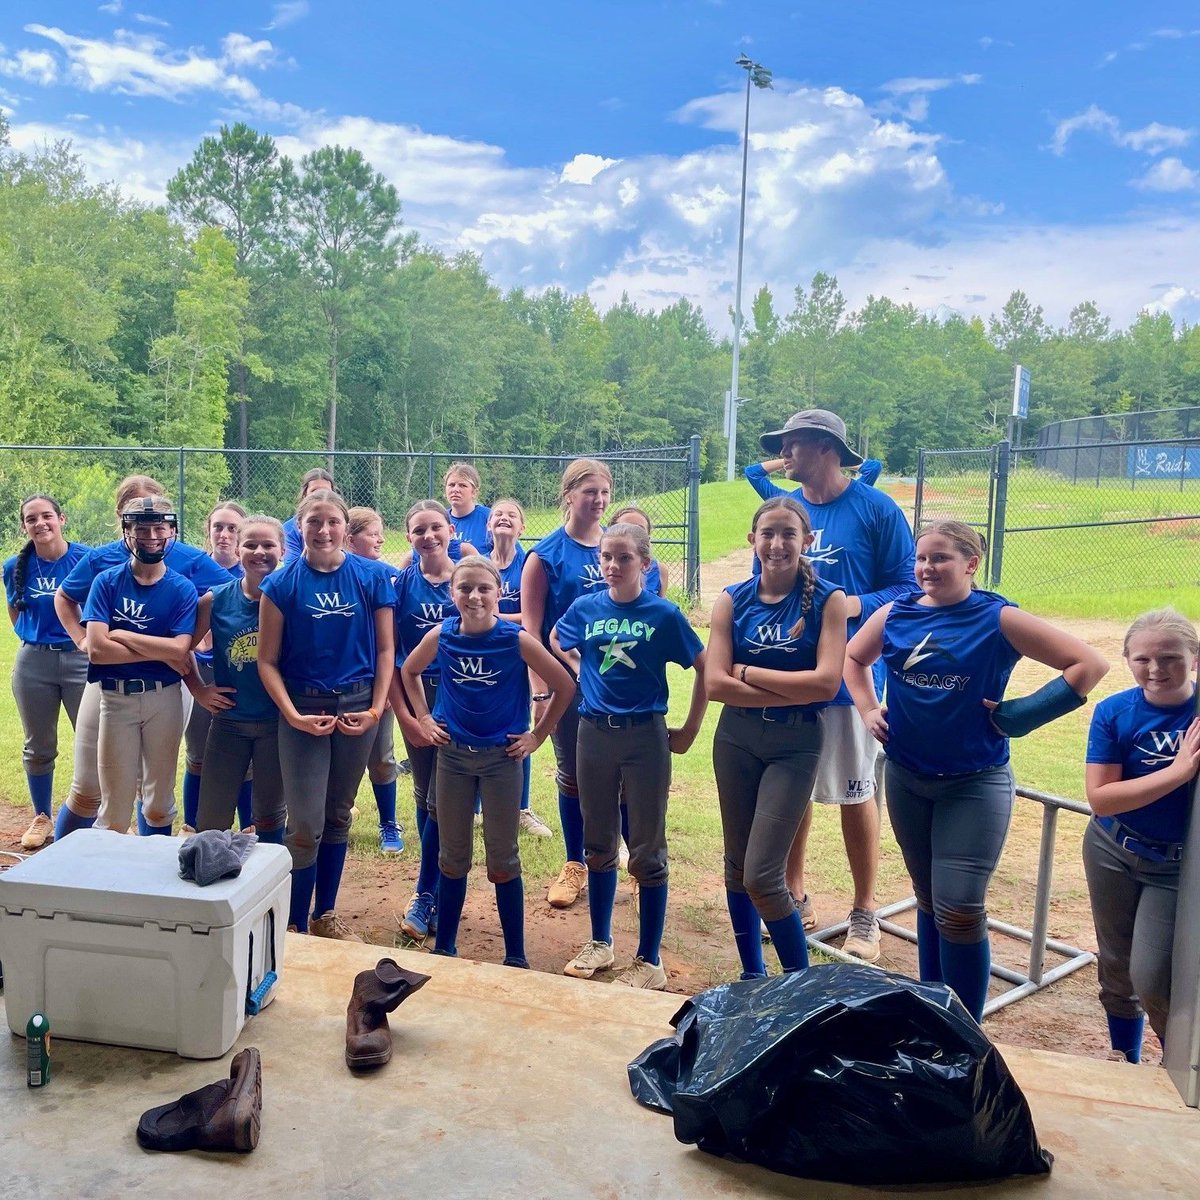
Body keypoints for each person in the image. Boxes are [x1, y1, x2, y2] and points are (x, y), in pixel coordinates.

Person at [844, 520, 1108, 1022]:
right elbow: (853, 659)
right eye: (921, 559)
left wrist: (1020, 716)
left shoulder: (997, 617)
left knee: (960, 907)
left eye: (940, 558)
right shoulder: (895, 613)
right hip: (906, 777)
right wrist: (865, 707)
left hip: (974, 782)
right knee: (927, 899)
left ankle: (965, 1027)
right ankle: (931, 1012)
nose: (927, 568)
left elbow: (1087, 665)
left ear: (971, 563)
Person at [747, 409, 915, 961]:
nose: (785, 456)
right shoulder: (788, 513)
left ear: (825, 449)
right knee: (792, 790)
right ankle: (794, 893)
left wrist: (849, 607)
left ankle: (866, 910)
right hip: (787, 679)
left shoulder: (874, 508)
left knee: (854, 791)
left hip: (847, 682)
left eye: (792, 445)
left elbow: (908, 588)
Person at [553, 523, 707, 989]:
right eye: (606, 558)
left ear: (645, 563)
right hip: (594, 733)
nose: (614, 566)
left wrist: (690, 729)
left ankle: (649, 961)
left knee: (645, 847)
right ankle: (600, 942)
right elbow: (560, 640)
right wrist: (585, 672)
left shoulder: (662, 613)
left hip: (645, 737)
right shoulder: (586, 607)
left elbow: (705, 668)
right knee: (598, 842)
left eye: (623, 558)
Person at [400, 555, 574, 967]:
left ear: (499, 593)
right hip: (454, 759)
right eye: (465, 588)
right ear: (452, 593)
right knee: (452, 853)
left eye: (484, 588)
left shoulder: (515, 639)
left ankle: (515, 954)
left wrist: (537, 735)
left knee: (502, 856)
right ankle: (446, 946)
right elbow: (408, 672)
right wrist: (424, 718)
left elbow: (564, 685)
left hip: (501, 761)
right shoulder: (442, 636)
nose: (474, 596)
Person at [705, 497, 849, 978]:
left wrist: (748, 671)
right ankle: (752, 976)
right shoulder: (732, 599)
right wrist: (795, 689)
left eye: (789, 533)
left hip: (795, 744)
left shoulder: (829, 600)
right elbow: (715, 685)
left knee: (764, 875)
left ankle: (800, 987)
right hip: (737, 740)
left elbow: (828, 684)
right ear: (752, 540)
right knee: (735, 866)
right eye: (768, 533)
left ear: (807, 541)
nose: (777, 543)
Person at [53, 474, 229, 838]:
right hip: (109, 686)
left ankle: (147, 877)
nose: (150, 532)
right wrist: (84, 640)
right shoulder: (105, 564)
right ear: (124, 520)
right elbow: (67, 601)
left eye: (157, 519)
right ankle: (66, 865)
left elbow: (225, 593)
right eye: (138, 518)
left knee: (156, 795)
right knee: (89, 790)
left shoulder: (183, 563)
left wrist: (194, 638)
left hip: (166, 682)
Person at [258, 489, 395, 940]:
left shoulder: (372, 577)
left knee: (338, 814)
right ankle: (294, 921)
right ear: (300, 527)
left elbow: (387, 649)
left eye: (332, 521)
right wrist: (293, 716)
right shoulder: (281, 584)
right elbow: (267, 661)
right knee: (304, 824)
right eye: (313, 521)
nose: (323, 530)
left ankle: (325, 914)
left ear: (345, 527)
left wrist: (376, 709)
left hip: (355, 709)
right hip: (302, 710)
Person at [1083, 608, 1200, 1062]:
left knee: (1154, 977)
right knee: (1115, 964)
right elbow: (1103, 798)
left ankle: (1178, 1072)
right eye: (1143, 659)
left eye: (1170, 658)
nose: (1155, 670)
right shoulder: (1115, 711)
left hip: (1176, 864)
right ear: (1128, 659)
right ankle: (1123, 1058)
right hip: (1113, 847)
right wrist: (1179, 771)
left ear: (1194, 658)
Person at [520, 458, 613, 908]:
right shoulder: (546, 555)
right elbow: (532, 632)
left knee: (623, 775)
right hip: (570, 685)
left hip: (619, 684)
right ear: (569, 495)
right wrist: (543, 688)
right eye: (589, 492)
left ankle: (624, 863)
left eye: (605, 493)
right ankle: (575, 863)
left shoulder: (615, 547)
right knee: (573, 775)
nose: (597, 501)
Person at [83, 497, 199, 835]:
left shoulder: (180, 588)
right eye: (141, 528)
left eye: (158, 528)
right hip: (116, 698)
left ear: (171, 531)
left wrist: (120, 633)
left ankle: (154, 879)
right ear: (127, 532)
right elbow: (97, 652)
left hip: (163, 698)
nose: (150, 536)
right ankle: (111, 881)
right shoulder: (107, 581)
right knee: (115, 808)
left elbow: (180, 650)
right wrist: (159, 650)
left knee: (159, 803)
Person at [392, 500, 473, 940]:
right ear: (409, 537)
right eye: (419, 530)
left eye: (436, 527)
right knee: (426, 797)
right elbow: (390, 656)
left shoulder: (467, 580)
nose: (428, 536)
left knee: (443, 802)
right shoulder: (401, 584)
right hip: (419, 695)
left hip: (462, 696)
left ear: (450, 530)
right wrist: (407, 717)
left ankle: (427, 892)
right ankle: (435, 887)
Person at [185, 515, 287, 842]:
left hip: (276, 722)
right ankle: (211, 879)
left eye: (268, 545)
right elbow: (180, 649)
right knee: (211, 818)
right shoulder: (216, 599)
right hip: (230, 721)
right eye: (251, 544)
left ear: (282, 550)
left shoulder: (292, 596)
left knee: (270, 816)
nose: (259, 552)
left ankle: (270, 887)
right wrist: (199, 689)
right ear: (238, 550)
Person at [4, 495, 90, 849]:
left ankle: (99, 817)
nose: (40, 523)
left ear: (61, 519)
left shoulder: (86, 559)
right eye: (31, 519)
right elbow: (15, 613)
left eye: (46, 516)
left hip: (80, 659)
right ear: (24, 525)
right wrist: (34, 640)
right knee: (38, 746)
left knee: (94, 742)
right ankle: (42, 816)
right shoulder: (14, 566)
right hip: (33, 662)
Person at [487, 498, 553, 838]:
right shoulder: (479, 563)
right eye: (497, 513)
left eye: (512, 515)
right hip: (485, 659)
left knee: (519, 726)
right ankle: (476, 808)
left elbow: (531, 619)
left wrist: (496, 618)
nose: (504, 518)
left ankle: (521, 808)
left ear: (522, 526)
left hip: (520, 658)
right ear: (488, 524)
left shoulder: (527, 563)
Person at [181, 501, 248, 834]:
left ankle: (251, 827)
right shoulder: (192, 569)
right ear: (208, 530)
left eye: (232, 528)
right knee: (197, 753)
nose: (224, 534)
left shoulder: (252, 570)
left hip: (239, 671)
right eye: (218, 526)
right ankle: (190, 826)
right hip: (200, 668)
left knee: (246, 756)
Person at [346, 505, 405, 855]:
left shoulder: (384, 575)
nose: (381, 538)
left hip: (375, 680)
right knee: (341, 761)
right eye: (372, 532)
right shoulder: (328, 574)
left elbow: (391, 638)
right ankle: (338, 816)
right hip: (338, 683)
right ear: (350, 538)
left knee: (381, 757)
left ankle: (388, 822)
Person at [608, 505, 668, 597]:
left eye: (639, 530)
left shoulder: (659, 570)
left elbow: (661, 607)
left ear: (648, 539)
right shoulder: (606, 569)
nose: (632, 535)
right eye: (625, 529)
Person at [282, 468, 336, 560]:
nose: (321, 495)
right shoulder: (289, 528)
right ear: (304, 494)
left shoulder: (341, 524)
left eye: (326, 491)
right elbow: (291, 568)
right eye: (314, 491)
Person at [444, 462, 492, 554]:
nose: (455, 490)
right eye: (451, 485)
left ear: (474, 492)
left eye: (462, 485)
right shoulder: (440, 519)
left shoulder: (489, 517)